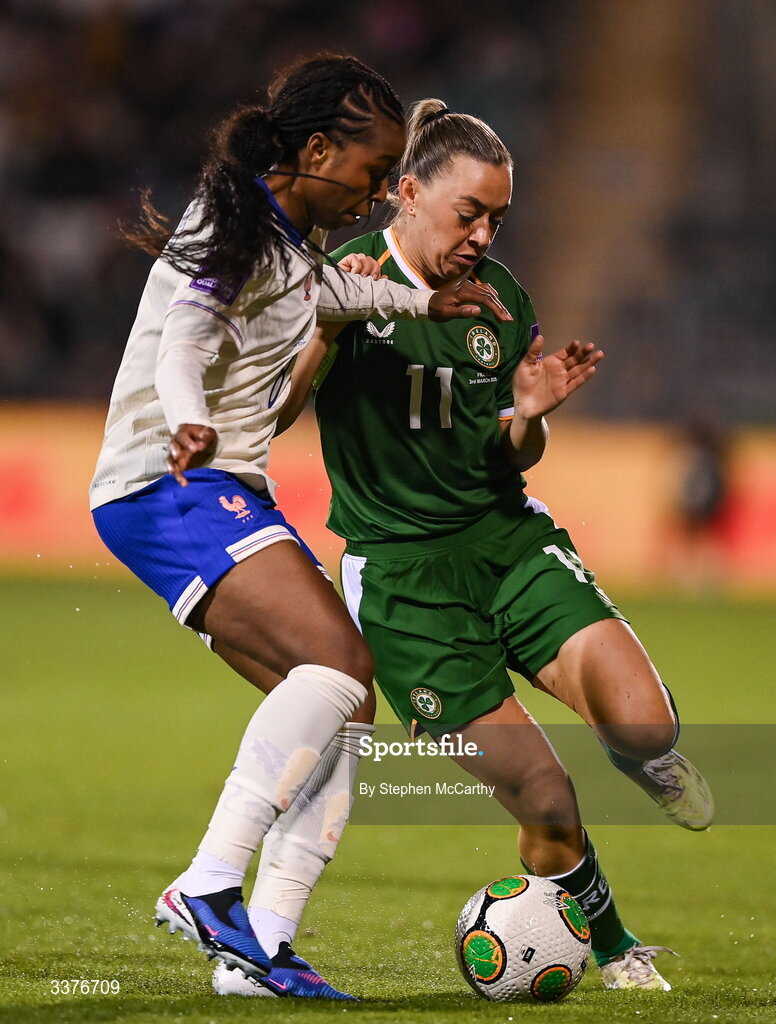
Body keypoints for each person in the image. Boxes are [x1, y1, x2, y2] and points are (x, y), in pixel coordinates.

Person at [214, 98, 715, 997]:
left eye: (497, 218)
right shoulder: (342, 282)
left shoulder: (501, 299)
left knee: (647, 724)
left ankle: (639, 756)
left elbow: (510, 448)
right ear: (407, 193)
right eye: (469, 213)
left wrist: (526, 416)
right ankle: (610, 941)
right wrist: (325, 332)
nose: (484, 234)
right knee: (547, 801)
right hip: (406, 587)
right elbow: (268, 419)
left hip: (506, 542)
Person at [90, 61, 512, 1001]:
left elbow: (327, 296)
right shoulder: (227, 227)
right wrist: (189, 417)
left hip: (220, 488)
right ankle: (205, 886)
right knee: (338, 667)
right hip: (170, 481)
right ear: (316, 151)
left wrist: (423, 301)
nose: (376, 193)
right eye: (372, 170)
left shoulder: (282, 239)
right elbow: (185, 342)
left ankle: (261, 948)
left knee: (344, 707)